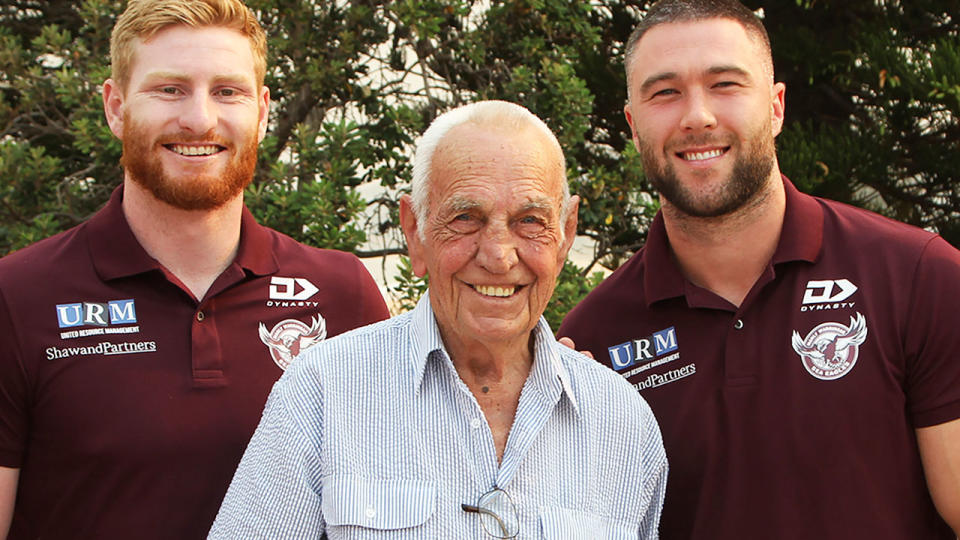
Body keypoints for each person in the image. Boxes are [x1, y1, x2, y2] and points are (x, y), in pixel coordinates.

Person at [558, 0, 960, 538]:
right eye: (665, 92)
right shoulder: (593, 341)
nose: (697, 115)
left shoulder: (919, 277)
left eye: (725, 84)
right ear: (633, 124)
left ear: (775, 108)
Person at [0, 1, 389, 538]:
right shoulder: (16, 297)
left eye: (227, 92)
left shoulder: (343, 295)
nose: (200, 119)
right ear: (115, 108)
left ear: (263, 112)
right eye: (169, 90)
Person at [209, 100, 668, 538]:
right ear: (415, 231)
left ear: (566, 234)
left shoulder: (624, 425)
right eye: (466, 217)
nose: (498, 255)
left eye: (530, 220)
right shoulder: (323, 393)